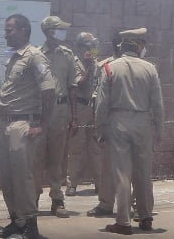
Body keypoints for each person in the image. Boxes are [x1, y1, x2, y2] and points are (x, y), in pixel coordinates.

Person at [95, 28, 163, 235]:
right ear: (137, 47)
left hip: (119, 121)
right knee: (143, 171)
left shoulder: (109, 68)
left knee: (122, 173)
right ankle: (145, 216)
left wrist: (100, 128)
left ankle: (123, 221)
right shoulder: (150, 68)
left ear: (121, 46)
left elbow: (102, 104)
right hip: (143, 121)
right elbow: (157, 104)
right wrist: (159, 129)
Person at [0, 14, 56, 239]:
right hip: (7, 124)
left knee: (22, 177)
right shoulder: (13, 58)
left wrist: (42, 125)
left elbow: (50, 90)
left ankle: (30, 226)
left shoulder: (34, 56)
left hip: (23, 123)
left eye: (9, 30)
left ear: (23, 31)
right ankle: (16, 222)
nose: (6, 34)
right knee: (8, 178)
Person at [35, 15, 83, 219]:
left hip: (61, 110)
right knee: (36, 157)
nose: (63, 33)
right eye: (59, 29)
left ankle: (57, 198)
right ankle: (33, 198)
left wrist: (74, 116)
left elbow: (73, 87)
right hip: (38, 111)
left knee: (58, 157)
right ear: (48, 31)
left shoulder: (67, 54)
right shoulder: (35, 54)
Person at [86, 31, 124, 219]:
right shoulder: (104, 66)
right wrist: (99, 125)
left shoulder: (139, 65)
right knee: (108, 166)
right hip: (111, 123)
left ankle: (130, 204)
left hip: (116, 123)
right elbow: (98, 97)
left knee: (128, 167)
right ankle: (106, 204)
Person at [66, 32, 100, 197]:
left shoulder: (97, 64)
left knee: (96, 148)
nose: (90, 50)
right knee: (76, 149)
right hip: (78, 107)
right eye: (87, 47)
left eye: (92, 47)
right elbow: (79, 84)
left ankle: (100, 183)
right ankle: (72, 184)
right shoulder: (75, 63)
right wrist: (88, 67)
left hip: (93, 107)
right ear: (80, 47)